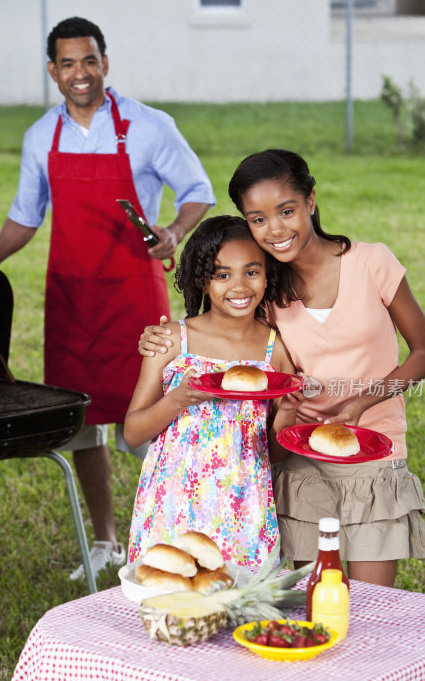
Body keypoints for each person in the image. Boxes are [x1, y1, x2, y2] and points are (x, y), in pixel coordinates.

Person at [0, 16, 215, 580]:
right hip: (72, 301)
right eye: (68, 63)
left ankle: (170, 541)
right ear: (53, 71)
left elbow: (199, 191)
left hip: (133, 297)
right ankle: (105, 541)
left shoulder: (149, 127)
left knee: (152, 419)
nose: (81, 74)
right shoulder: (39, 137)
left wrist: (172, 231)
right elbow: (25, 220)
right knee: (82, 424)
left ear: (106, 63)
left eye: (90, 61)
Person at [138, 149, 425, 588]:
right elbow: (221, 327)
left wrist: (360, 402)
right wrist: (159, 339)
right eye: (257, 218)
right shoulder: (266, 288)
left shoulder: (371, 263)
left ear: (311, 201)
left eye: (286, 211)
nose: (275, 229)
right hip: (296, 457)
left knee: (374, 603)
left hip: (373, 451)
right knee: (308, 600)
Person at [124, 216, 296, 568]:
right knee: (172, 601)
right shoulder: (172, 340)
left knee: (241, 605)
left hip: (243, 506)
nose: (239, 286)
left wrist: (290, 411)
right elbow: (133, 433)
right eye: (222, 275)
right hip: (173, 502)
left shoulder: (274, 349)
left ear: (268, 275)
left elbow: (274, 453)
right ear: (201, 281)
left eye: (251, 272)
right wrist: (177, 399)